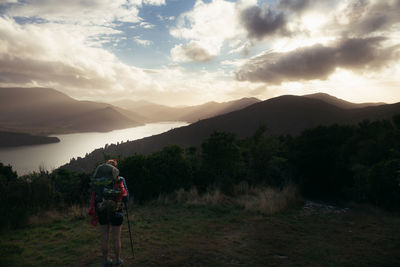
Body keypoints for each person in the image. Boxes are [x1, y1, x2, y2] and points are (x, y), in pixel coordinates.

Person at [90, 159, 129, 267]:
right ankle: (117, 261)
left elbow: (94, 196)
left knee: (104, 237)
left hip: (102, 211)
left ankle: (106, 261)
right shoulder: (120, 179)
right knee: (116, 237)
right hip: (116, 211)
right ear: (115, 169)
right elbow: (126, 197)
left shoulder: (98, 181)